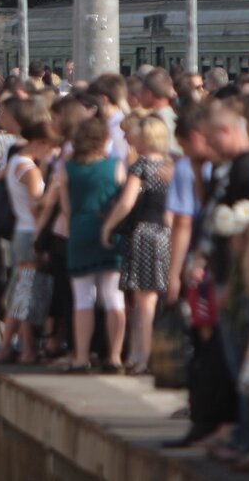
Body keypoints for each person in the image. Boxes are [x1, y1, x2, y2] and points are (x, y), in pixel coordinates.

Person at [101, 116, 173, 375]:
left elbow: (126, 203)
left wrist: (108, 226)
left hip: (143, 233)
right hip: (165, 234)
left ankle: (143, 356)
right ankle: (140, 354)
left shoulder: (141, 167)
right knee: (152, 298)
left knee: (143, 301)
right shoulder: (170, 166)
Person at [59, 118, 125, 373]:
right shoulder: (115, 166)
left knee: (83, 299)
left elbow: (65, 208)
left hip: (79, 230)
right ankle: (115, 357)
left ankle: (80, 357)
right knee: (112, 297)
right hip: (109, 232)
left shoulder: (67, 168)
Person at [0, 121, 57, 364]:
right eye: (50, 147)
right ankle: (21, 348)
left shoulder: (14, 162)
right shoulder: (30, 171)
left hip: (19, 231)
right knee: (26, 294)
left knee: (22, 292)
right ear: (40, 143)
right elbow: (36, 207)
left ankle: (15, 347)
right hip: (31, 233)